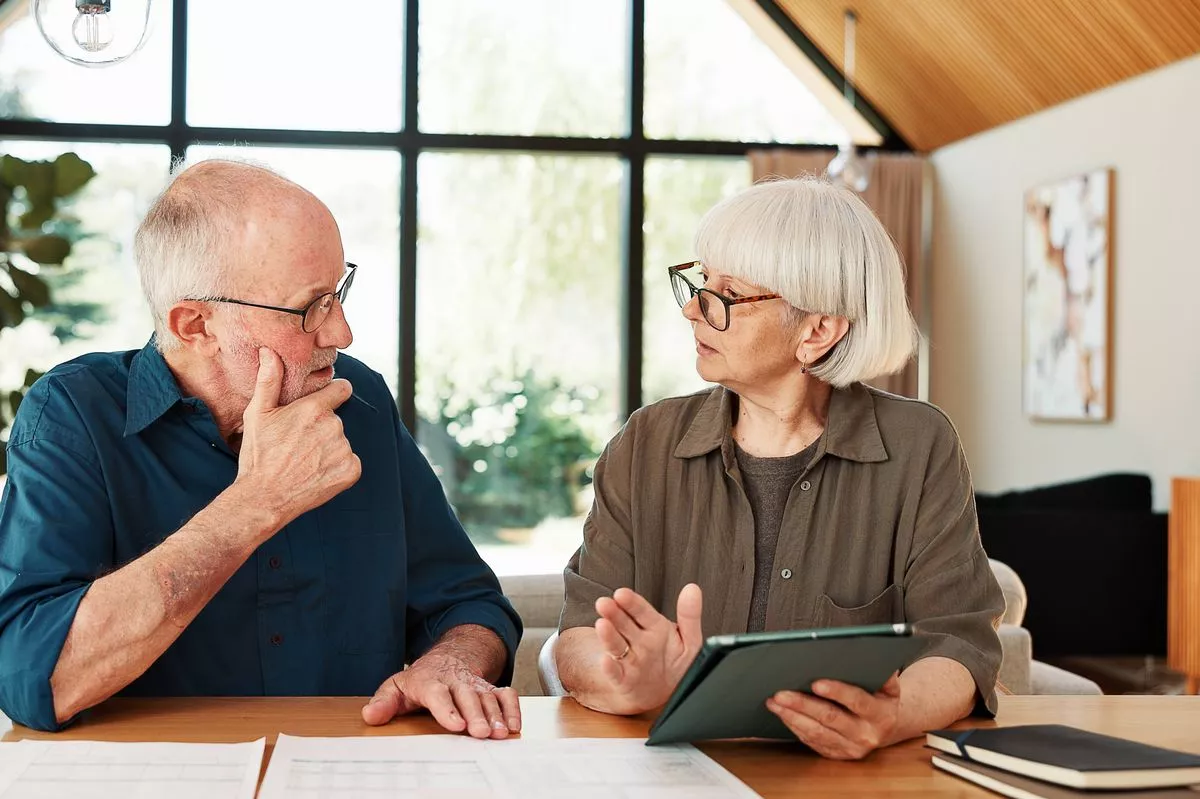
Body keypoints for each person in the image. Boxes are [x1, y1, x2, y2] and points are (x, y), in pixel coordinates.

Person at [0, 160, 522, 735]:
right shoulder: (74, 414)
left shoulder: (359, 400)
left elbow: (469, 605)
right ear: (196, 325)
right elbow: (34, 677)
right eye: (308, 307)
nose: (341, 333)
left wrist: (451, 663)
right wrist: (257, 502)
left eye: (338, 291)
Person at [554, 176, 1004, 760]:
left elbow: (959, 642)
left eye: (727, 295)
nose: (693, 309)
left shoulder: (920, 446)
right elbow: (578, 634)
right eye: (699, 283)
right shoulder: (647, 442)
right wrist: (624, 680)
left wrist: (890, 717)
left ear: (817, 330)